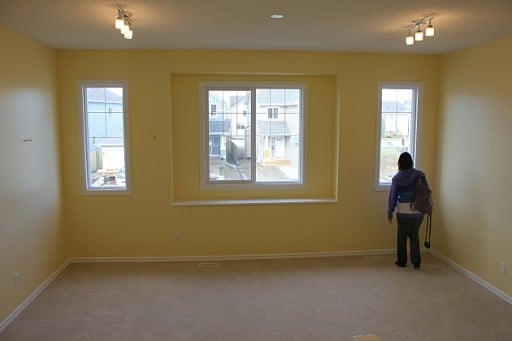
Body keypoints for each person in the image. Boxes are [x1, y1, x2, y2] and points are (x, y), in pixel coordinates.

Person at [387, 152, 428, 269]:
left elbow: (392, 197)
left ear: (399, 163)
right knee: (414, 235)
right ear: (411, 162)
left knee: (402, 236)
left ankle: (402, 261)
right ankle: (416, 261)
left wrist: (390, 213)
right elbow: (426, 191)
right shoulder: (420, 175)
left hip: (403, 212)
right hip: (418, 211)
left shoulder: (397, 178)